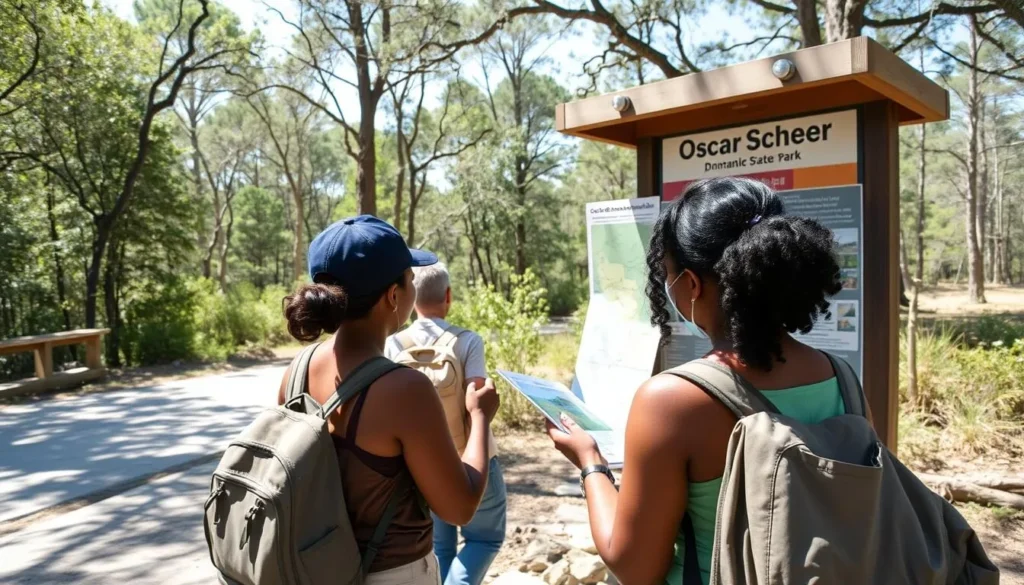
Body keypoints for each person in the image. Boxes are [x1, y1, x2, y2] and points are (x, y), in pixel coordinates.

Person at [545, 177, 861, 585]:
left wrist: (591, 464)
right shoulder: (842, 378)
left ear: (691, 284)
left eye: (668, 274)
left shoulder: (673, 400)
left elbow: (634, 568)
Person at [278, 215, 500, 585]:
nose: (413, 286)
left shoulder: (296, 370)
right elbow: (459, 507)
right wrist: (479, 417)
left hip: (316, 569)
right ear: (393, 296)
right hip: (393, 574)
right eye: (411, 278)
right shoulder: (404, 390)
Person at [385, 262, 507, 585]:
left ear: (409, 300)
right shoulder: (468, 341)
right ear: (448, 296)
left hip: (421, 466)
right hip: (472, 461)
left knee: (441, 546)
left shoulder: (394, 345)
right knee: (485, 539)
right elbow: (476, 398)